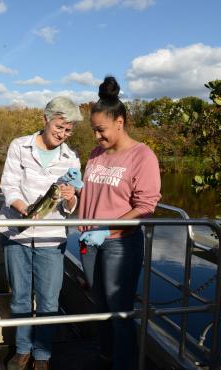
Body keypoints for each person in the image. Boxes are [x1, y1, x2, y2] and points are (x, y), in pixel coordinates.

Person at [78, 76, 161, 370]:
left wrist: (107, 228)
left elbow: (145, 206)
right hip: (90, 242)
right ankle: (105, 356)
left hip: (120, 245)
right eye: (94, 131)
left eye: (101, 130)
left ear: (119, 123)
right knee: (99, 306)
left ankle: (123, 363)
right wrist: (74, 191)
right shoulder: (96, 154)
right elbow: (92, 193)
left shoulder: (142, 156)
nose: (97, 137)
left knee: (119, 310)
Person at [0, 96, 83, 370]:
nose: (63, 134)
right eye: (60, 127)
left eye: (69, 130)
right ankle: (23, 350)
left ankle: (43, 354)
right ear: (45, 119)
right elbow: (8, 185)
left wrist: (70, 197)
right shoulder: (19, 146)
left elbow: (71, 206)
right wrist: (23, 209)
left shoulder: (71, 158)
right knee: (21, 295)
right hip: (16, 232)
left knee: (49, 297)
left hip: (51, 236)